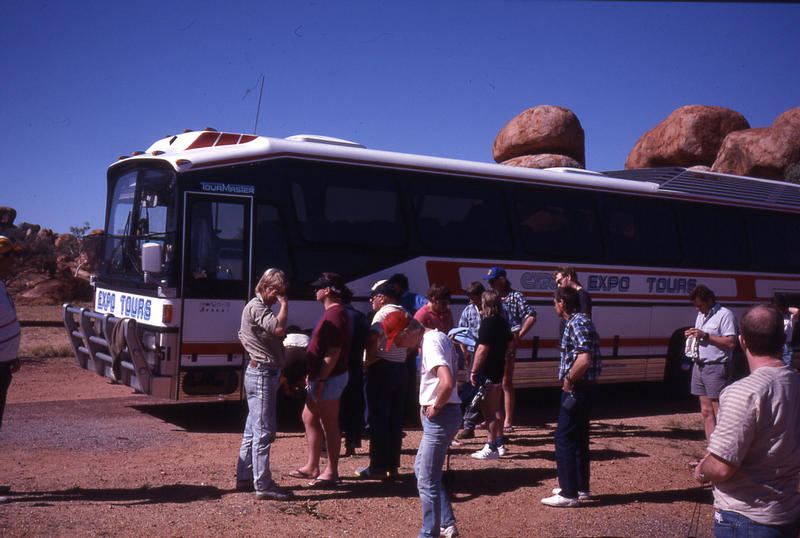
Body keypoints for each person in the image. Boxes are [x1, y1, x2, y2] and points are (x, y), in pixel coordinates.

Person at [693, 304, 800, 537]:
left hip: (744, 518)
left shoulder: (743, 392)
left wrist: (702, 469)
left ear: (742, 342)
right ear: (783, 340)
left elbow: (721, 468)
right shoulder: (795, 383)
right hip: (787, 515)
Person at [383, 311, 461, 538]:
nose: (398, 345)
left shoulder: (430, 343)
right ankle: (446, 523)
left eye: (397, 339)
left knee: (426, 478)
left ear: (408, 332)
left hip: (441, 414)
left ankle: (429, 533)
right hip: (443, 414)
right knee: (424, 471)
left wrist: (435, 408)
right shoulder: (435, 338)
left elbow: (447, 382)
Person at [541, 286, 602, 508]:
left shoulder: (576, 323)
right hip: (584, 388)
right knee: (578, 438)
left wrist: (569, 381)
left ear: (562, 304)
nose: (554, 306)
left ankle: (568, 493)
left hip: (577, 388)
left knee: (563, 437)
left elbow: (584, 359)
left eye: (555, 302)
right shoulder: (580, 322)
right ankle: (580, 487)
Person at [236, 268, 293, 500]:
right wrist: (285, 305)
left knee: (252, 429)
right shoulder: (258, 307)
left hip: (259, 372)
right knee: (264, 432)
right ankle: (263, 485)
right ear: (266, 287)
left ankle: (245, 477)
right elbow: (279, 329)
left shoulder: (255, 306)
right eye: (276, 292)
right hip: (262, 373)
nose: (277, 297)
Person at [290, 273, 351, 487]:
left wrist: (322, 379)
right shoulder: (334, 313)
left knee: (329, 423)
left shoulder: (335, 315)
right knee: (309, 417)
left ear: (328, 290)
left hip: (329, 378)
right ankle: (312, 465)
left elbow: (333, 352)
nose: (315, 291)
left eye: (319, 287)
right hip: (323, 376)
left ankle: (332, 471)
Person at [357, 280, 413, 479]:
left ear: (382, 297)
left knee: (378, 419)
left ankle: (378, 467)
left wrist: (370, 359)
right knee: (395, 420)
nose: (371, 300)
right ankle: (392, 466)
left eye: (373, 296)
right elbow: (418, 334)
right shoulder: (405, 312)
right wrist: (403, 353)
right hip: (400, 368)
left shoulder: (383, 313)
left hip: (383, 368)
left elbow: (372, 337)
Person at [684, 285, 737, 454]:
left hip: (717, 367)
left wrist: (706, 335)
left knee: (719, 412)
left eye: (700, 305)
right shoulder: (701, 315)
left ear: (709, 300)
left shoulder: (725, 315)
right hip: (699, 365)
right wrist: (693, 334)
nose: (697, 308)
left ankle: (723, 453)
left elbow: (731, 343)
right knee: (706, 411)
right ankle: (710, 452)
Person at [485, 266, 536, 433]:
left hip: (507, 345)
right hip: (492, 345)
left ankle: (508, 420)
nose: (491, 285)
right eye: (489, 282)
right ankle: (492, 417)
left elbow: (531, 315)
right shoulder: (492, 296)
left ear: (502, 280)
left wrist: (518, 336)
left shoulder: (515, 296)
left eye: (493, 281)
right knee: (492, 382)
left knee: (506, 382)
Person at [469, 289, 512, 460]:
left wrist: (473, 370)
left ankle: (491, 445)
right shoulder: (503, 322)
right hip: (498, 367)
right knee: (496, 406)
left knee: (488, 409)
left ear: (485, 304)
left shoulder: (487, 323)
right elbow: (511, 343)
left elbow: (482, 349)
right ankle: (499, 442)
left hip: (487, 371)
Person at [454, 281, 484, 441]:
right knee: (472, 388)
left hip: (488, 354)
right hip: (473, 355)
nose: (472, 302)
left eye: (474, 298)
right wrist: (464, 351)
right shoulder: (468, 310)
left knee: (486, 390)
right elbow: (461, 332)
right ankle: (468, 425)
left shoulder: (491, 310)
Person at [340, 286, 368, 456]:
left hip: (339, 366)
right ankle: (351, 443)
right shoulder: (360, 317)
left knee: (336, 406)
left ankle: (329, 445)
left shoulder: (336, 315)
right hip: (356, 365)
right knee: (354, 405)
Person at [0, 235, 22, 429]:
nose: (13, 261)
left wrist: (11, 357)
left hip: (4, 364)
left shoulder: (1, 285)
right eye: (10, 257)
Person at [553, 266, 592, 338]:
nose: (558, 285)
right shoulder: (570, 293)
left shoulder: (582, 294)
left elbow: (585, 318)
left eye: (559, 281)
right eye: (557, 283)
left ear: (568, 277)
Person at [771, 294, 799, 366]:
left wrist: (786, 309)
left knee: (787, 368)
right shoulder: (773, 317)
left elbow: (797, 311)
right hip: (775, 345)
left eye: (778, 306)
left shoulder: (790, 317)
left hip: (786, 346)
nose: (777, 308)